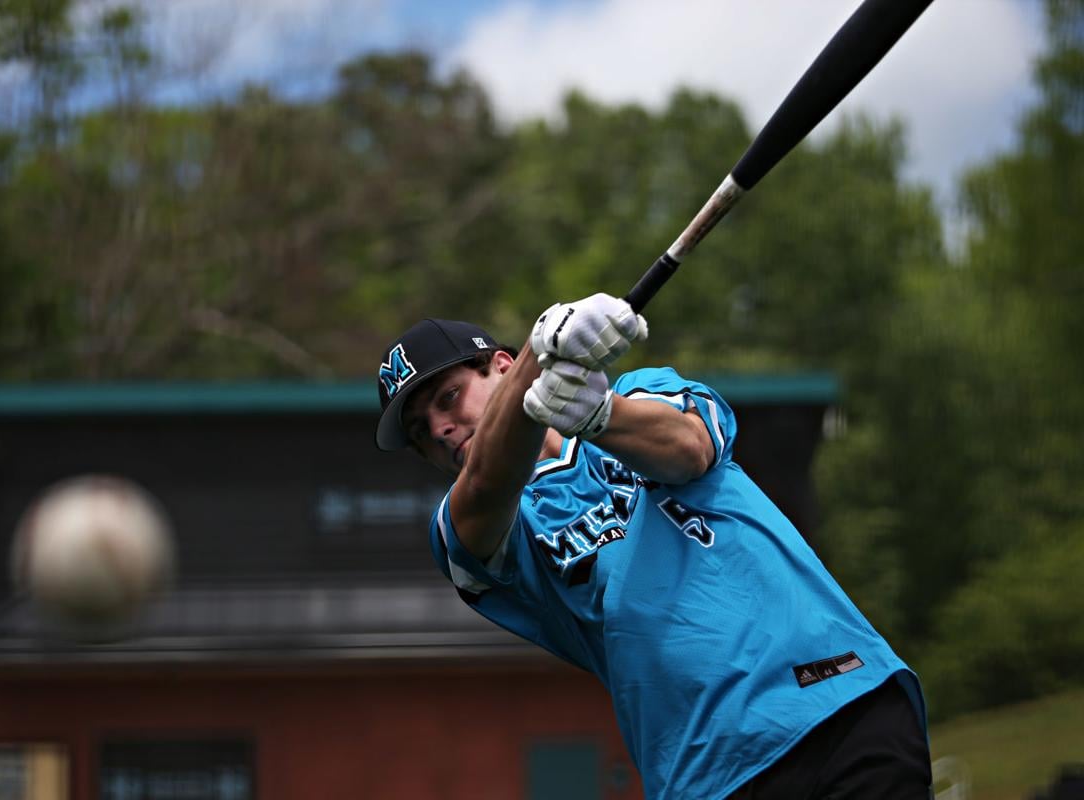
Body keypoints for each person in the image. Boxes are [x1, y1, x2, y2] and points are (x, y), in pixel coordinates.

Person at [374, 294, 933, 800]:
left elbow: (688, 448)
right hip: (711, 774)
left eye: (448, 398)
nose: (441, 429)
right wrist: (538, 363)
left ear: (498, 363)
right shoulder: (467, 530)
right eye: (422, 431)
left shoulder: (641, 394)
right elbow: (489, 484)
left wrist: (598, 415)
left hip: (841, 695)